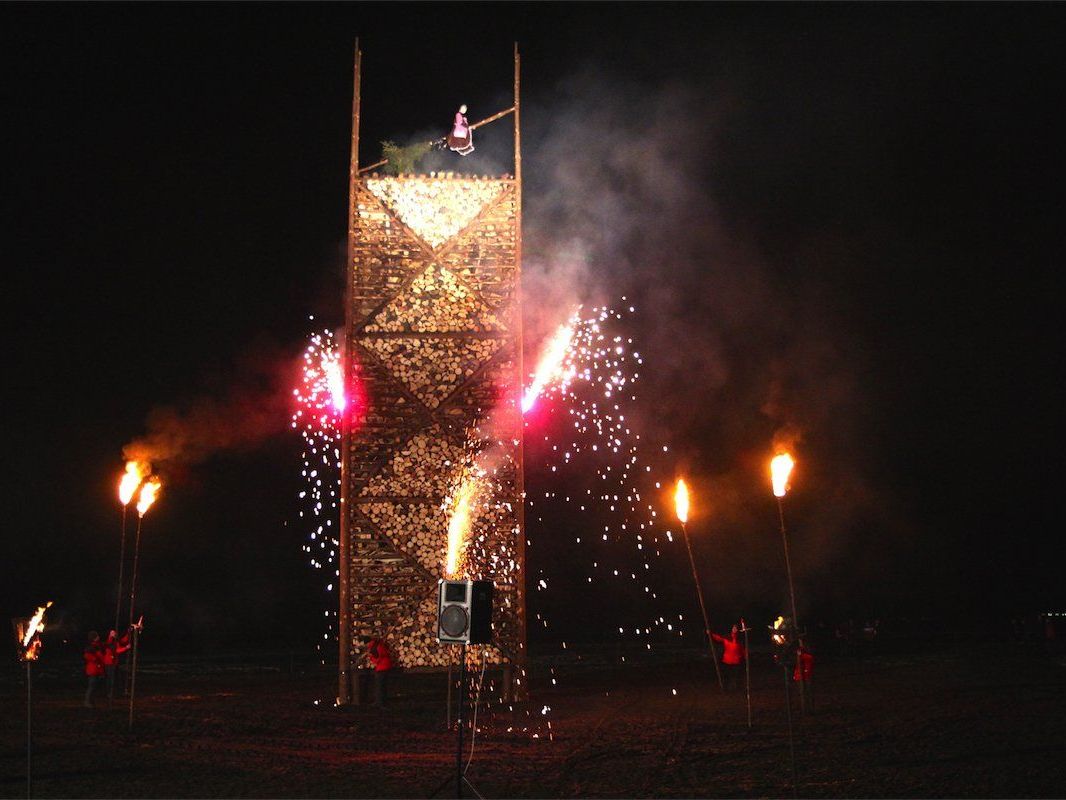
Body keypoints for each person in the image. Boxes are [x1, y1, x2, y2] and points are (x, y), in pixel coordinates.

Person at [711, 624, 747, 691]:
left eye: (736, 628)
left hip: (736, 661)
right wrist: (711, 634)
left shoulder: (739, 639)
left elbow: (743, 649)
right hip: (727, 661)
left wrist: (746, 657)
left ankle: (738, 688)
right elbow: (718, 638)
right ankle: (725, 689)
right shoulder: (727, 637)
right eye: (733, 628)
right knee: (726, 676)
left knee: (737, 676)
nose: (734, 629)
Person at [102, 627, 133, 703]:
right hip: (109, 663)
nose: (114, 634)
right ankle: (109, 693)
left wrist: (128, 633)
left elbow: (123, 641)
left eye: (114, 632)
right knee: (110, 678)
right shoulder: (110, 642)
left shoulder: (114, 641)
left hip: (114, 662)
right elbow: (117, 650)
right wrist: (125, 648)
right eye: (112, 633)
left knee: (114, 678)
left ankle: (112, 692)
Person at [366, 635, 393, 706]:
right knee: (383, 685)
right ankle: (383, 701)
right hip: (386, 666)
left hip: (382, 667)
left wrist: (370, 657)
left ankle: (379, 702)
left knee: (379, 685)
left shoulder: (375, 648)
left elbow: (377, 659)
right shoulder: (379, 645)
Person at [83, 631, 107, 708]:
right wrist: (95, 659)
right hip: (93, 670)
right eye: (97, 636)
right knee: (92, 686)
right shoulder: (91, 647)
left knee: (94, 687)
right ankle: (87, 702)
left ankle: (90, 701)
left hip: (96, 669)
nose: (98, 637)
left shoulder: (96, 646)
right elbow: (88, 656)